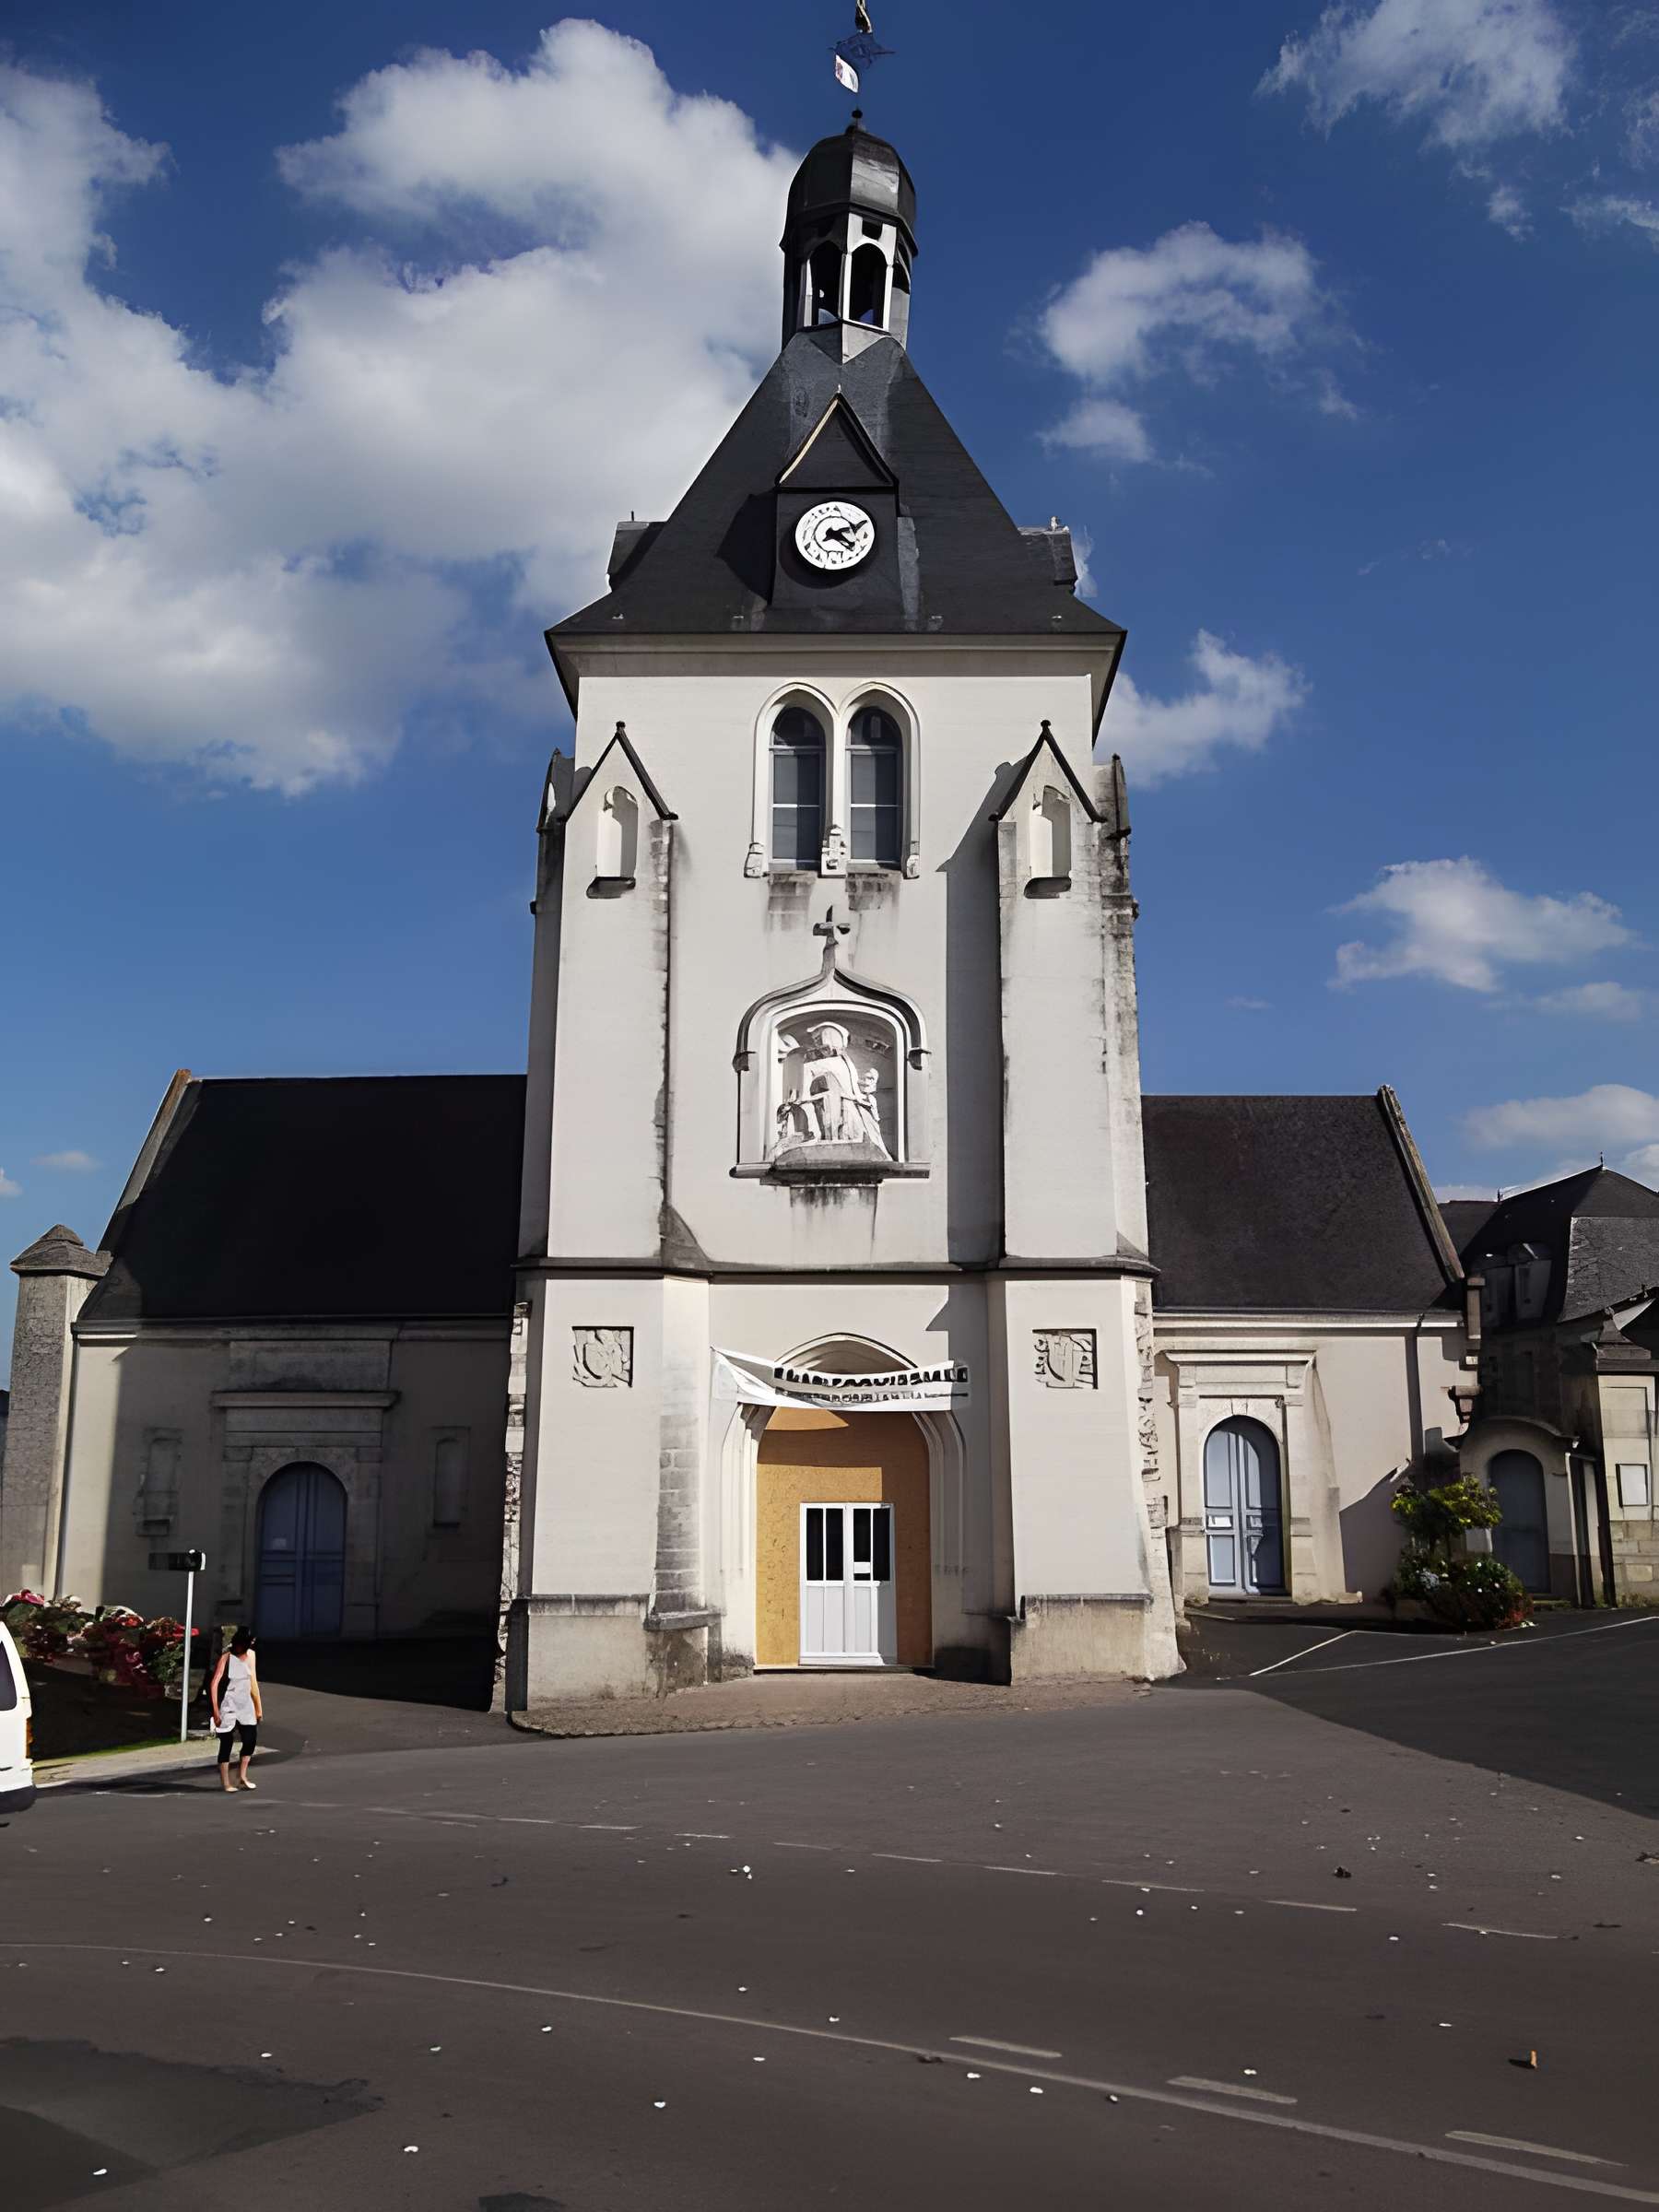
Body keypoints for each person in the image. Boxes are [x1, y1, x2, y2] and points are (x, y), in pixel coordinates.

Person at [209, 1630, 263, 1792]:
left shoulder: (251, 1655)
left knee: (250, 1740)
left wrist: (258, 1707)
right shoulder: (226, 1658)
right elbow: (214, 1684)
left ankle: (242, 1777)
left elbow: (253, 1682)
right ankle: (226, 1783)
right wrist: (216, 1711)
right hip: (229, 1704)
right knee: (227, 1742)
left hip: (245, 1704)